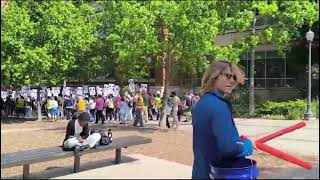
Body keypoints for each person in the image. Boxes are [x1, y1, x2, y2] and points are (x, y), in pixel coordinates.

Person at [192, 61, 254, 179]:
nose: (232, 81)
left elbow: (211, 139)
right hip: (217, 174)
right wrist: (248, 145)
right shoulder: (219, 106)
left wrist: (236, 140)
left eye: (234, 77)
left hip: (200, 172)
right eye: (227, 76)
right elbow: (228, 149)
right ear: (214, 76)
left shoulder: (201, 103)